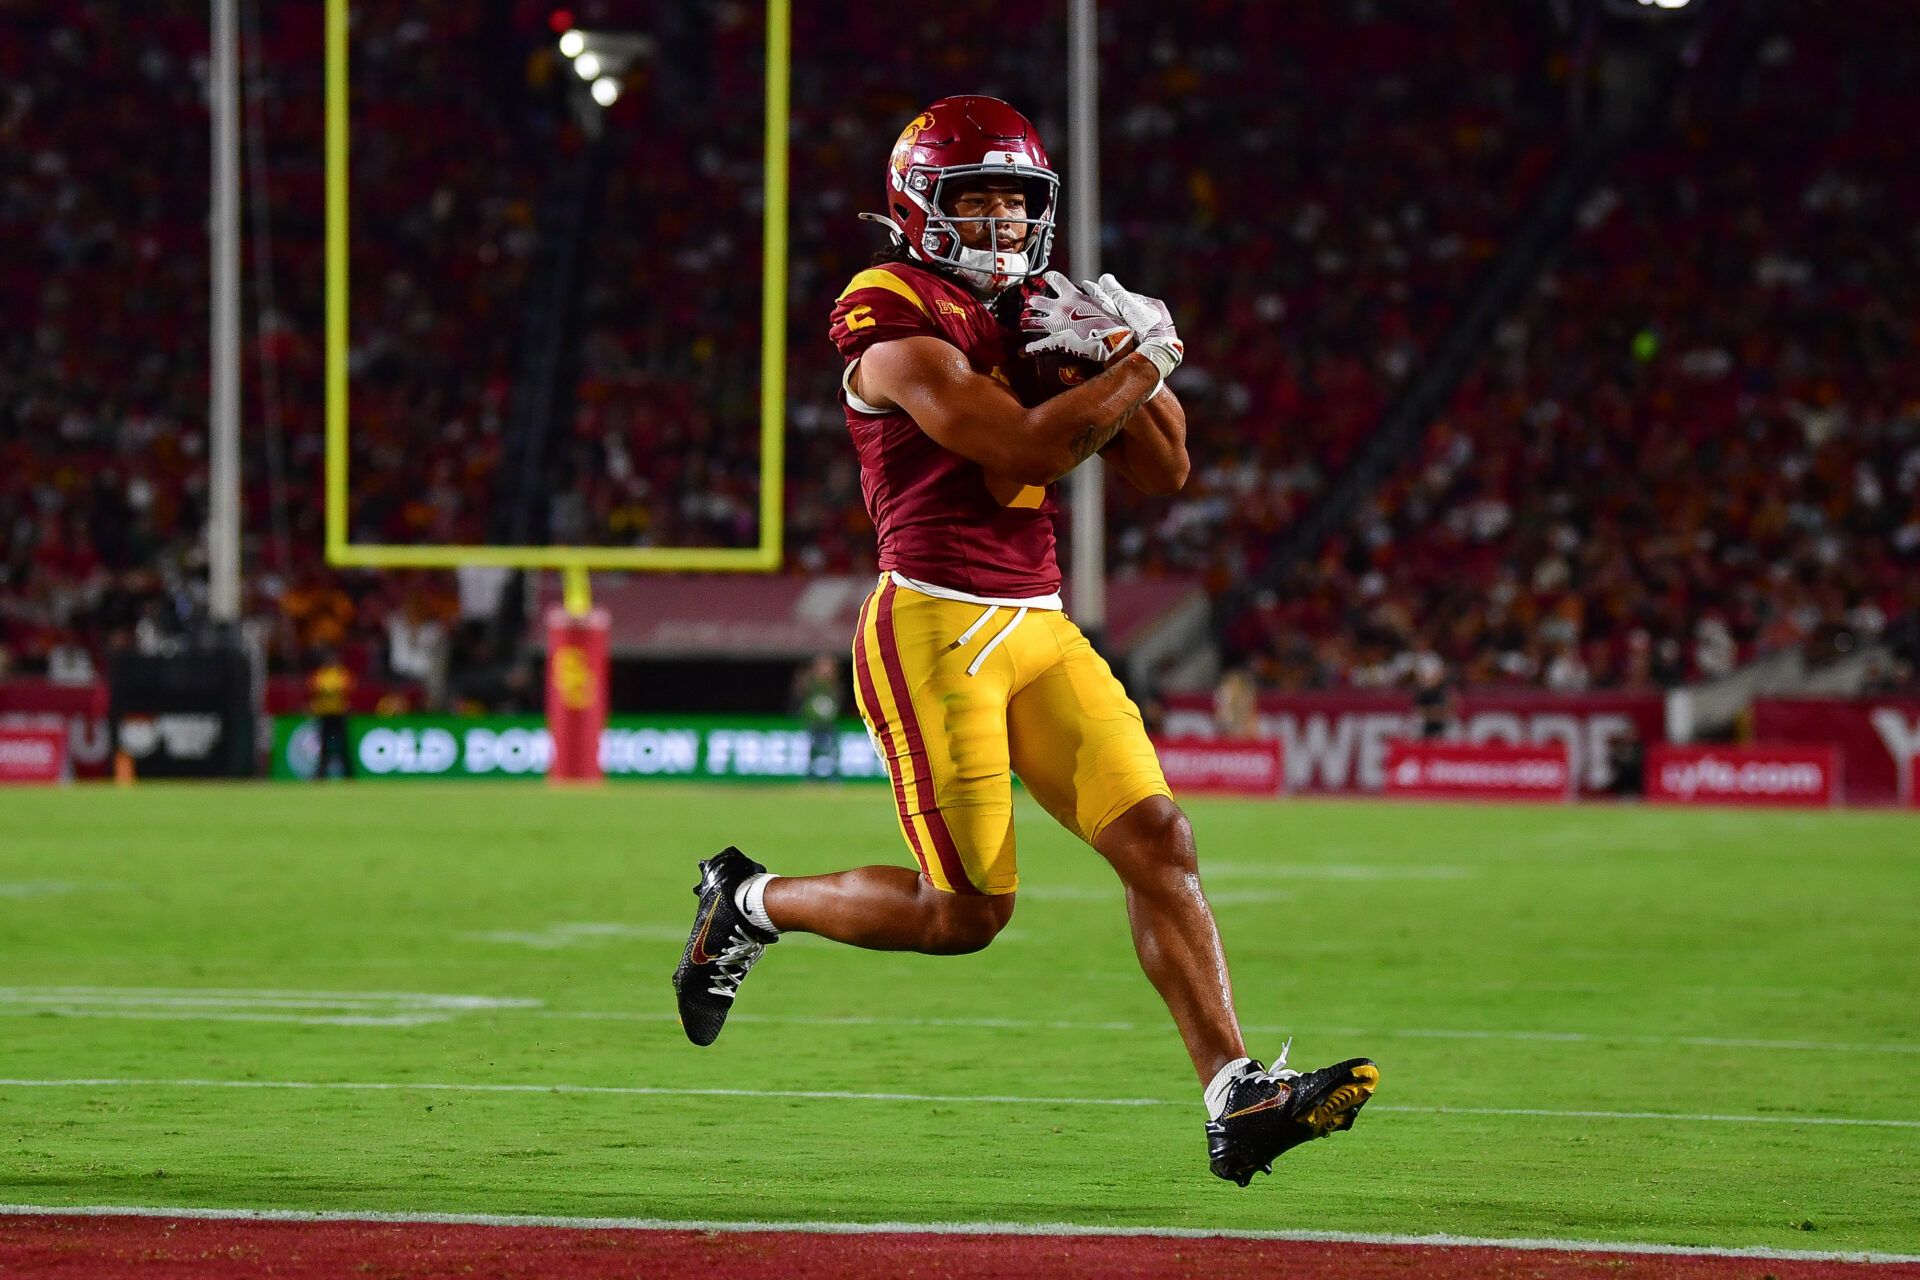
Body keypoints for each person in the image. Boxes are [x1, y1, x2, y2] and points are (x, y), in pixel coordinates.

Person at [673, 96, 1375, 1184]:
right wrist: (1142, 357)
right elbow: (1016, 437)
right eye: (977, 198)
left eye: (1016, 198)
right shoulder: (887, 303)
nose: (1002, 221)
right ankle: (748, 900)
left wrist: (1115, 351)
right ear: (922, 204)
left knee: (1160, 840)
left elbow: (1165, 469)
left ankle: (1231, 1091)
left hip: (1040, 621)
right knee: (965, 913)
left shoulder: (1040, 299)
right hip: (933, 625)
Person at [309, 650, 354, 780]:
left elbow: (342, 687)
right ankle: (321, 774)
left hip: (339, 714)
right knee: (324, 746)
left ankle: (348, 775)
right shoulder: (321, 674)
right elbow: (317, 687)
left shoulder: (341, 673)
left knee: (343, 746)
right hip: (325, 714)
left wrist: (328, 690)